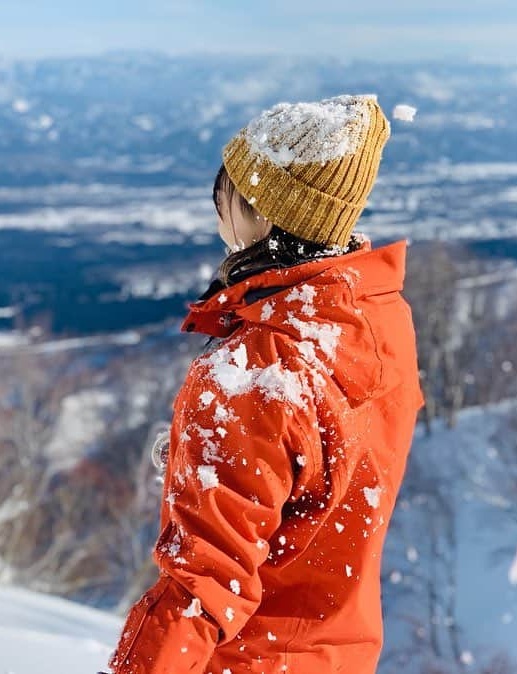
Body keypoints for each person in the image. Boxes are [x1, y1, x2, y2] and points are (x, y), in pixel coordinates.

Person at [106, 94, 424, 674]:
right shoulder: (376, 321)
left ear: (266, 215)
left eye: (225, 195)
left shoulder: (255, 373)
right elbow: (329, 475)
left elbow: (201, 587)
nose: (217, 213)